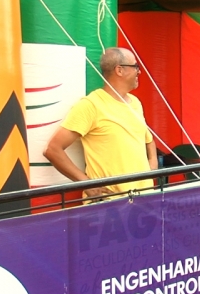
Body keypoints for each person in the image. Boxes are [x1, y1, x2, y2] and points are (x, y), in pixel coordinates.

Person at [44, 47, 157, 200]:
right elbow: (52, 149)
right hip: (110, 204)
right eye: (135, 66)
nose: (139, 71)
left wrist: (152, 164)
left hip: (145, 200)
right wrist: (85, 183)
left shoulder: (136, 102)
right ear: (119, 70)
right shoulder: (91, 105)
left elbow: (148, 139)